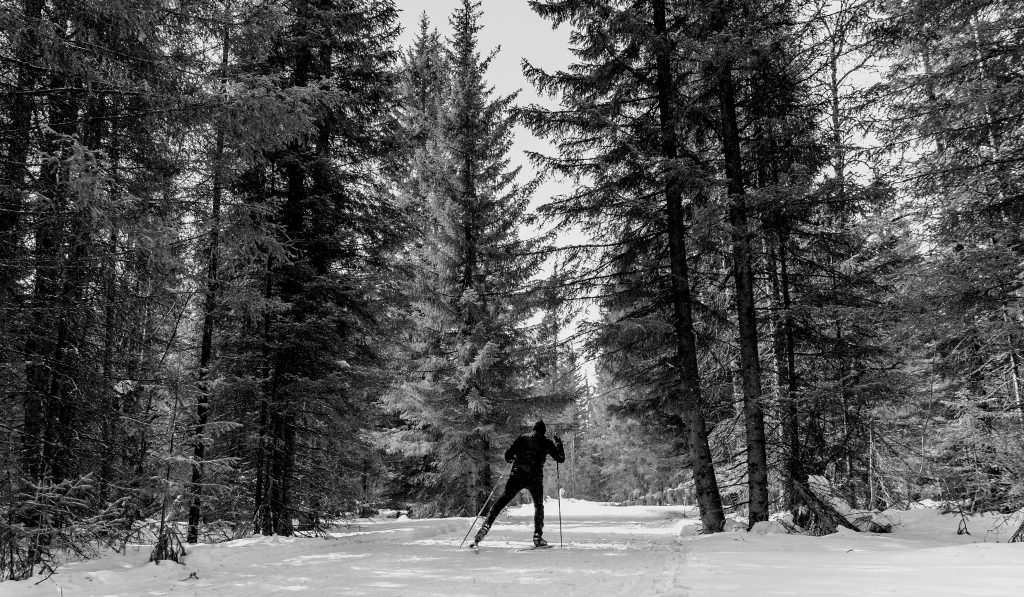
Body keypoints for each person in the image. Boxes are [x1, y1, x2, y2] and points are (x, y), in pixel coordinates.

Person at [470, 420, 565, 548]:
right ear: (543, 431)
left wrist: (511, 458)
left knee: (501, 502)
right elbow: (560, 458)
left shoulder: (523, 438)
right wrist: (558, 443)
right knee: (538, 506)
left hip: (517, 475)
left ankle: (486, 526)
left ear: (533, 429)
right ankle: (537, 536)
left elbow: (508, 455)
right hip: (534, 478)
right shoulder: (546, 441)